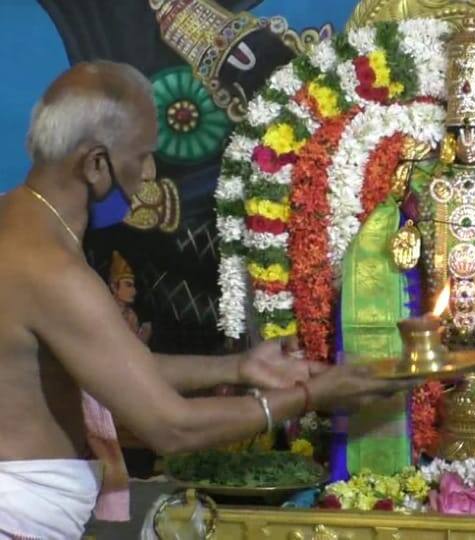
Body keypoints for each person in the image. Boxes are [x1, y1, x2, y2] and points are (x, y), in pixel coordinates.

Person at [0, 61, 412, 539]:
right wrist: (309, 395)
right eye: (143, 155)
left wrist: (238, 369)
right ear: (96, 164)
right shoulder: (51, 268)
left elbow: (115, 366)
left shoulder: (18, 225)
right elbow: (171, 428)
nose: (149, 173)